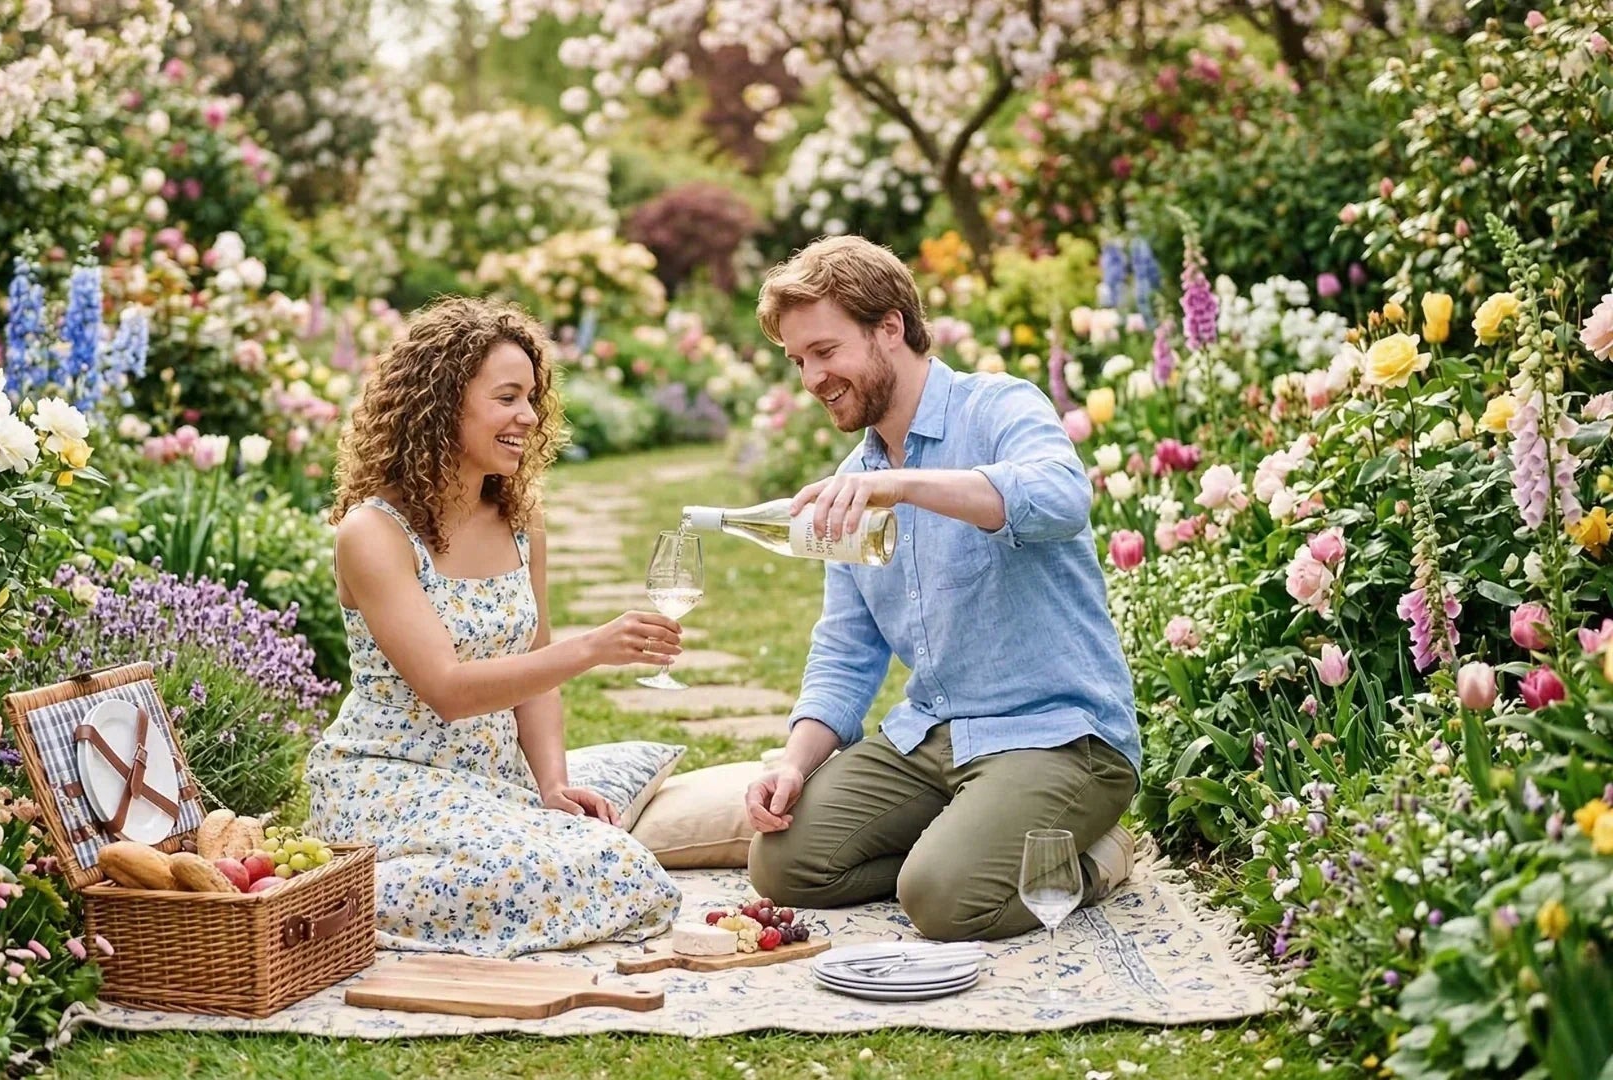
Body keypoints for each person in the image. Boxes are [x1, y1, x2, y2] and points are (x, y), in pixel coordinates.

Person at [742, 236, 1141, 942]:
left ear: (889, 327)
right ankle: (974, 841)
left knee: (943, 901)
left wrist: (902, 486)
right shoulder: (854, 478)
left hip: (1057, 736)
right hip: (934, 736)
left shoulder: (996, 408)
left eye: (825, 351)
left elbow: (1061, 496)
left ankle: (1094, 858)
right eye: (799, 361)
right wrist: (793, 763)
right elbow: (846, 649)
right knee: (784, 864)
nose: (811, 378)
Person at [304, 296, 683, 956]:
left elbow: (533, 670)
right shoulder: (374, 534)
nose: (529, 417)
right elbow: (448, 689)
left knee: (613, 855)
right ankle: (334, 894)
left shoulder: (518, 519)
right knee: (569, 870)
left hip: (490, 783)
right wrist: (591, 648)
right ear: (444, 401)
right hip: (390, 781)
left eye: (532, 398)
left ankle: (423, 873)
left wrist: (553, 785)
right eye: (507, 397)